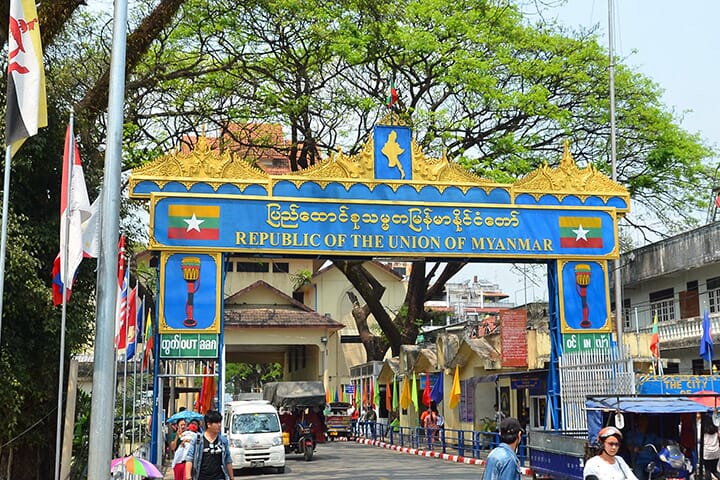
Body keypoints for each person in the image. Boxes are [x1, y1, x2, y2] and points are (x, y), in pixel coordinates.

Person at [184, 410, 234, 480]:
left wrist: (231, 477)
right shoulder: (197, 440)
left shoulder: (223, 441)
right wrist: (188, 476)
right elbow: (190, 458)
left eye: (220, 422)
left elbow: (228, 460)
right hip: (201, 477)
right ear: (209, 424)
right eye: (216, 422)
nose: (219, 425)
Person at [701, 414, 720, 480]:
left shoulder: (703, 431)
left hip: (707, 452)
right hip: (716, 452)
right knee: (714, 470)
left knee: (707, 470)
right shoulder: (716, 430)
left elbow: (698, 439)